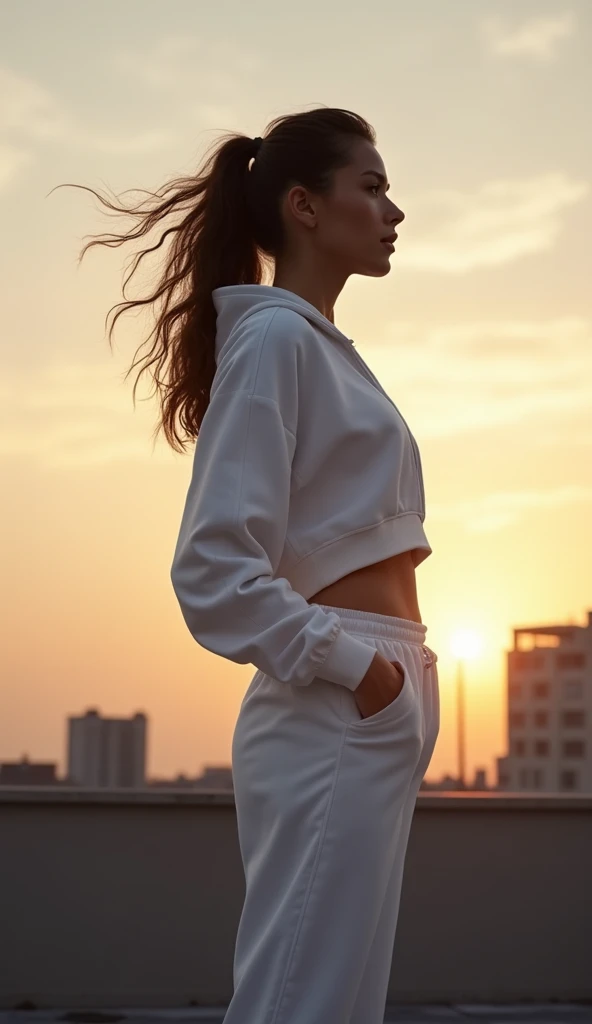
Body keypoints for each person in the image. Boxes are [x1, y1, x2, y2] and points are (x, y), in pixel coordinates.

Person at [62, 105, 440, 1024]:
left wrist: (394, 679)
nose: (395, 211)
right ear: (305, 207)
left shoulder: (317, 348)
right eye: (374, 188)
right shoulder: (274, 341)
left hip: (375, 695)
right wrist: (361, 669)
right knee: (296, 1003)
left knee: (340, 1004)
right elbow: (215, 570)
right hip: (336, 697)